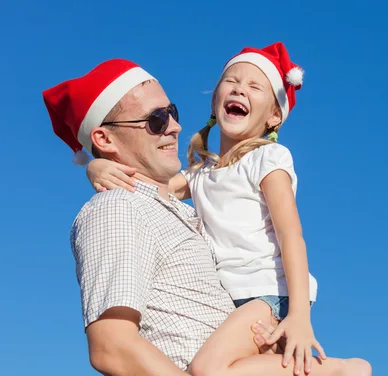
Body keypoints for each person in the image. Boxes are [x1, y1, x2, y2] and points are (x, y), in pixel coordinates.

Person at [86, 43, 372, 376]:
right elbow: (152, 190)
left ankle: (343, 370)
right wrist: (96, 167)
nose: (240, 88)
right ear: (214, 101)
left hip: (267, 292)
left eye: (255, 86)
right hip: (234, 298)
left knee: (208, 370)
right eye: (231, 80)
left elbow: (291, 235)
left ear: (274, 116)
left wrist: (298, 316)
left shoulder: (269, 160)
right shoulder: (201, 174)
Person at [43, 59, 278, 376]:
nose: (175, 127)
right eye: (156, 120)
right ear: (104, 140)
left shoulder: (184, 212)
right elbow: (112, 347)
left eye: (172, 113)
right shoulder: (119, 208)